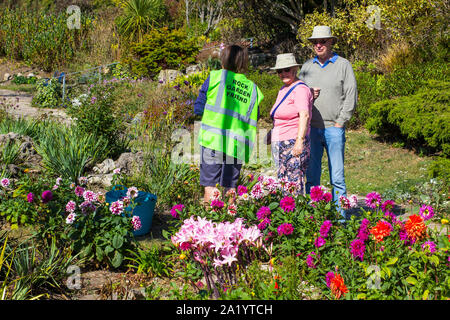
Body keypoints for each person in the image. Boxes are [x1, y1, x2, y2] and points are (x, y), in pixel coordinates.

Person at [299, 26, 358, 220]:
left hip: (334, 128)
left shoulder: (343, 65)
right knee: (312, 178)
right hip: (312, 130)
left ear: (331, 42)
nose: (319, 45)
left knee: (338, 179)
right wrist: (310, 96)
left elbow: (351, 96)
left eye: (323, 41)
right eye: (315, 42)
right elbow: (297, 96)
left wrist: (341, 122)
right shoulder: (307, 67)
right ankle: (313, 219)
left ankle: (340, 222)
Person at [193, 44, 264, 204]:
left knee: (210, 186)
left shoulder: (215, 77)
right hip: (237, 144)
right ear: (243, 63)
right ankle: (230, 225)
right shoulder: (253, 89)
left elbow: (198, 107)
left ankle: (209, 224)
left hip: (213, 140)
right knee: (230, 187)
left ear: (223, 60)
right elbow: (256, 116)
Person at [269, 53, 313, 196]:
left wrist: (299, 142)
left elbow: (304, 115)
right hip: (280, 141)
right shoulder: (283, 89)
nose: (283, 73)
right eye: (279, 71)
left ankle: (295, 214)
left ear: (295, 69)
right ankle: (286, 214)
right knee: (283, 180)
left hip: (293, 141)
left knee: (294, 182)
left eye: (286, 69)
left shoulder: (300, 89)